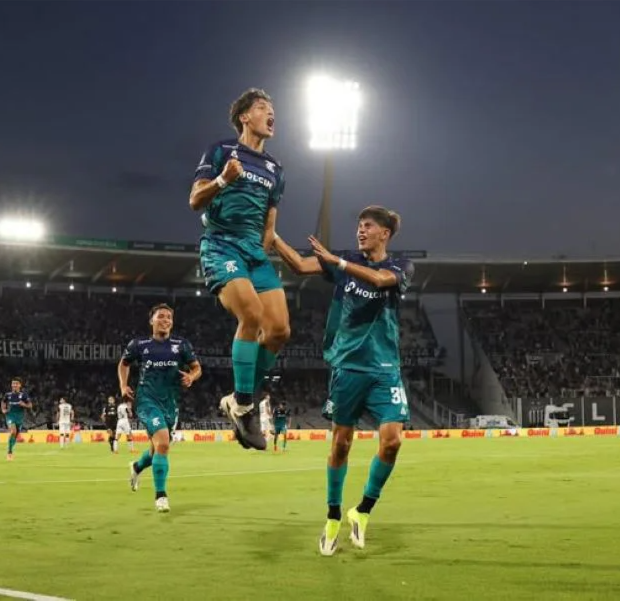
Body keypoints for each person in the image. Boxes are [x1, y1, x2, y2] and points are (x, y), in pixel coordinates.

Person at [272, 206, 414, 556]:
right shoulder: (345, 262)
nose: (360, 232)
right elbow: (300, 266)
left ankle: (362, 510)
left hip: (384, 369)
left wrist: (338, 263)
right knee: (341, 445)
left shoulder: (401, 266)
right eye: (359, 226)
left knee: (393, 441)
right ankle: (333, 515)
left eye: (368, 227)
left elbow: (380, 281)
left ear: (386, 234)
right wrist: (273, 237)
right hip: (347, 367)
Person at [189, 88, 291, 451]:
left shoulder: (276, 170)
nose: (271, 113)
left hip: (254, 253)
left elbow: (269, 226)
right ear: (245, 117)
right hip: (220, 244)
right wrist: (222, 180)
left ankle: (238, 397)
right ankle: (246, 406)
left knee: (279, 330)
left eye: (272, 108)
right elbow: (194, 199)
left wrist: (264, 253)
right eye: (263, 107)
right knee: (250, 313)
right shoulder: (221, 151)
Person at [118, 303, 202, 512]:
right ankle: (161, 495)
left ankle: (137, 467)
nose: (165, 320)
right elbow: (124, 363)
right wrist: (123, 385)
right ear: (152, 320)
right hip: (146, 400)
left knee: (157, 449)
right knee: (164, 443)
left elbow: (196, 367)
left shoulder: (181, 345)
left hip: (170, 403)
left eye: (169, 318)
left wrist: (191, 377)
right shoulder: (139, 344)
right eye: (161, 316)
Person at [1, 377, 32, 461]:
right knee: (13, 431)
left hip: (19, 418)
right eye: (13, 383)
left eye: (16, 383)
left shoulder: (24, 395)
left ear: (20, 385)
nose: (14, 385)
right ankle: (9, 452)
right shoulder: (8, 395)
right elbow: (3, 402)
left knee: (15, 435)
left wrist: (24, 405)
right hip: (10, 416)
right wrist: (3, 409)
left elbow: (30, 405)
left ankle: (10, 447)